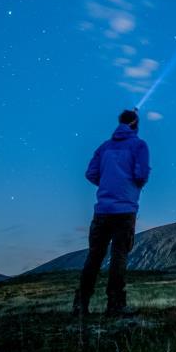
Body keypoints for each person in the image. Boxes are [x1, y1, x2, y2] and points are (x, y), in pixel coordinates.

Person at [72, 109, 151, 316]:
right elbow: (141, 174)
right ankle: (115, 304)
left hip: (102, 210)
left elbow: (90, 173)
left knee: (94, 256)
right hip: (125, 209)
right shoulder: (139, 146)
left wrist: (107, 184)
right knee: (119, 256)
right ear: (135, 123)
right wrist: (130, 186)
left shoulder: (104, 147)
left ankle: (81, 303)